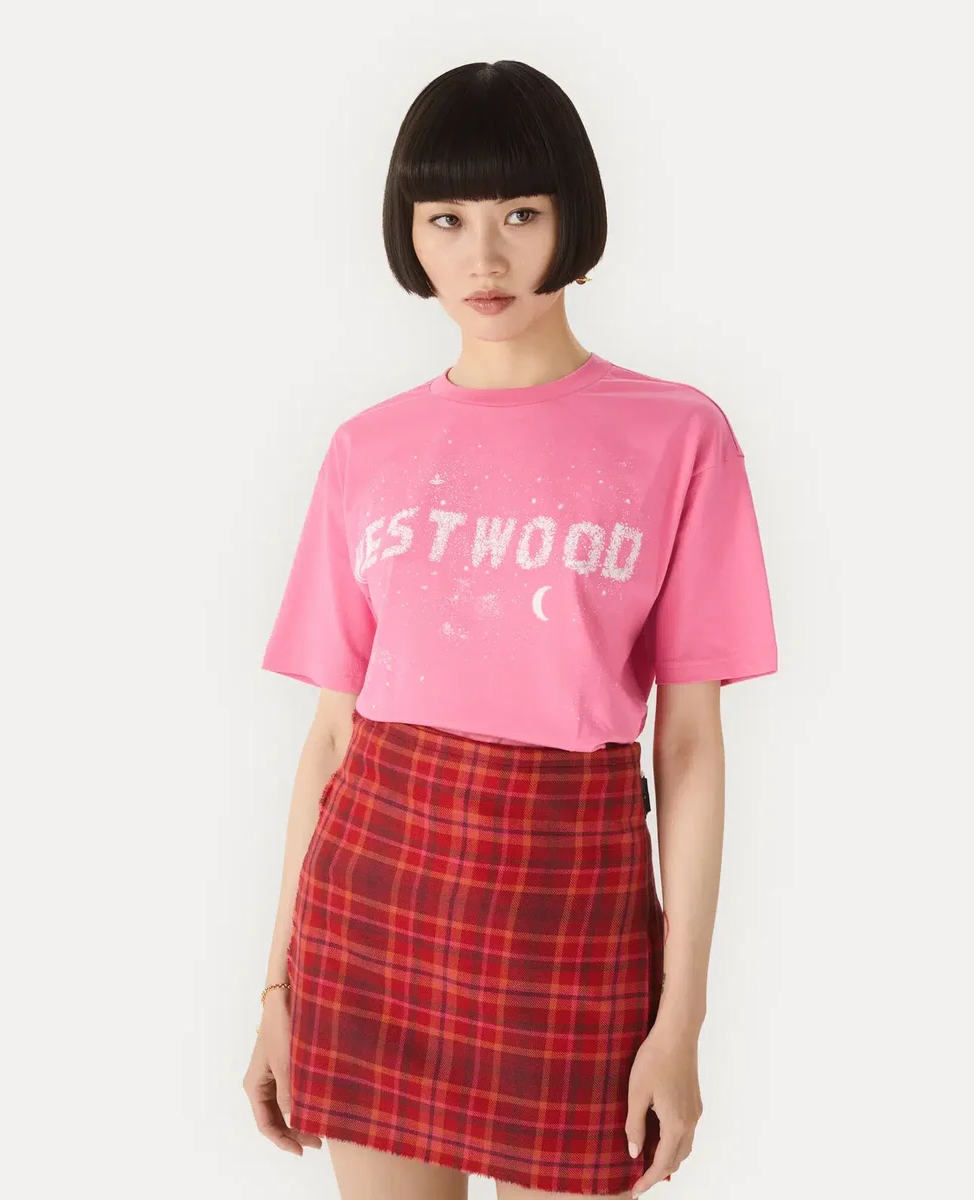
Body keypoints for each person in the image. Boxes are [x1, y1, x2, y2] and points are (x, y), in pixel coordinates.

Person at [243, 59, 778, 1200]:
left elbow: (688, 744)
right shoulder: (364, 449)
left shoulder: (675, 436)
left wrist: (680, 1020)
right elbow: (333, 737)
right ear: (408, 234)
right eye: (445, 218)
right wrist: (276, 991)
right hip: (371, 908)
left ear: (571, 219)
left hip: (568, 908)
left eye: (519, 215)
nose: (482, 258)